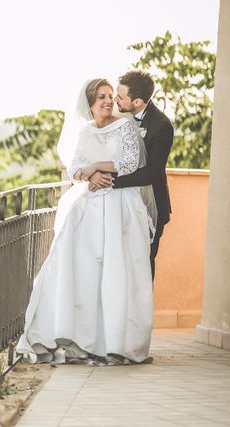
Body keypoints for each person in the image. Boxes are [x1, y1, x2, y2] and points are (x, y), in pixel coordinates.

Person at [16, 78, 157, 365]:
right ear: (90, 104)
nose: (108, 101)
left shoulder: (127, 126)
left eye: (110, 96)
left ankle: (120, 342)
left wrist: (97, 167)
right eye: (101, 97)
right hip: (89, 208)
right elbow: (75, 166)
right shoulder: (83, 132)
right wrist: (89, 175)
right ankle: (81, 339)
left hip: (121, 206)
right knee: (86, 272)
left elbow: (131, 163)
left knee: (121, 271)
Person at [89, 70, 173, 279]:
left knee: (142, 266)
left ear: (137, 101)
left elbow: (152, 173)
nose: (114, 100)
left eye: (120, 97)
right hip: (116, 205)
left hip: (149, 204)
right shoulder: (116, 118)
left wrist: (109, 181)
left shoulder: (161, 126)